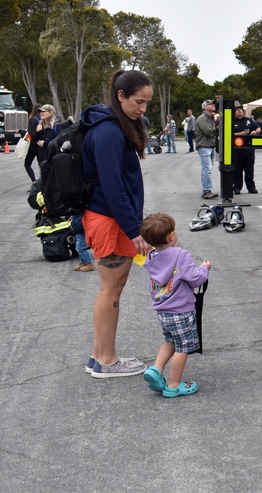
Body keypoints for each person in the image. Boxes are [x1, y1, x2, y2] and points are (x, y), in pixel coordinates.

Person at [82, 69, 154, 378]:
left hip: (108, 218)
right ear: (121, 95)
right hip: (109, 219)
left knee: (112, 287)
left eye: (148, 103)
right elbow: (113, 187)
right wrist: (134, 230)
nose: (143, 109)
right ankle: (107, 360)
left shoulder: (108, 126)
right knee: (111, 288)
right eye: (139, 101)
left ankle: (98, 356)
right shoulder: (109, 131)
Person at [139, 213, 210, 398]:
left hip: (163, 311)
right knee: (183, 347)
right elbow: (195, 279)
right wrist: (205, 268)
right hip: (181, 311)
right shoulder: (180, 254)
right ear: (171, 236)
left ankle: (156, 368)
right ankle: (173, 385)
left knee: (170, 341)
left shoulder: (152, 256)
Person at [232, 103, 260, 194]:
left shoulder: (248, 120)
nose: (240, 110)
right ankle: (237, 187)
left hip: (249, 149)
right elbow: (228, 134)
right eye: (237, 109)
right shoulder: (231, 122)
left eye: (241, 109)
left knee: (249, 169)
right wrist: (241, 134)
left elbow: (258, 128)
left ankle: (251, 187)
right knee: (237, 169)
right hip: (237, 150)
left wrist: (255, 132)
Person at [24, 103, 55, 182]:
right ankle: (41, 184)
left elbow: (57, 140)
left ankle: (34, 181)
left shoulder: (55, 125)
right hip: (41, 148)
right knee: (43, 166)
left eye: (43, 111)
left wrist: (45, 142)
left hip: (37, 146)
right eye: (40, 111)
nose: (41, 113)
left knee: (28, 164)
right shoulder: (42, 123)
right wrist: (38, 131)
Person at [195, 99, 219, 199]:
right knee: (207, 169)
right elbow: (208, 131)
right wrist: (216, 128)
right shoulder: (202, 118)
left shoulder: (210, 118)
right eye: (210, 104)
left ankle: (206, 189)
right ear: (205, 107)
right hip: (204, 146)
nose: (213, 105)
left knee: (207, 169)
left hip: (209, 146)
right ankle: (206, 191)